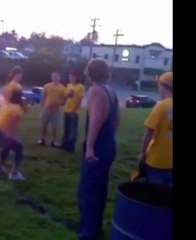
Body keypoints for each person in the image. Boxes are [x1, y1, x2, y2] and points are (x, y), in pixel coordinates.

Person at [77, 59, 120, 240]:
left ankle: (88, 233)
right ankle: (95, 227)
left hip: (98, 146)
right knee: (100, 188)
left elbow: (95, 121)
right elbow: (117, 121)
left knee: (87, 190)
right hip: (109, 144)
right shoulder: (111, 91)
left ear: (90, 72)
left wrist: (90, 147)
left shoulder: (95, 91)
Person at [137, 71, 172, 186]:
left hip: (156, 160)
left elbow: (148, 133)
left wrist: (142, 154)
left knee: (153, 194)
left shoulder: (161, 106)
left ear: (162, 86)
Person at [0, 90, 26, 181]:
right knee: (19, 147)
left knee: (7, 145)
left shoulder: (5, 104)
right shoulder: (18, 110)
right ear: (20, 99)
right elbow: (11, 129)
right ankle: (14, 174)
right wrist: (15, 139)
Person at [37, 71, 66, 147]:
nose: (55, 78)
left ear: (59, 78)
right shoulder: (47, 86)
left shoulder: (62, 88)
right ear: (51, 77)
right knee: (44, 124)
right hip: (46, 108)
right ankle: (42, 139)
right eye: (54, 77)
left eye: (57, 77)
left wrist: (59, 103)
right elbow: (43, 97)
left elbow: (64, 100)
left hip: (55, 110)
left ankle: (54, 140)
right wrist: (42, 107)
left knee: (55, 126)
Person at [61, 70, 85, 153]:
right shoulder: (68, 85)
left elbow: (80, 100)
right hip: (66, 110)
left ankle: (71, 146)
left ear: (76, 78)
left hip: (74, 112)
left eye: (72, 77)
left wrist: (74, 110)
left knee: (72, 130)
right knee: (66, 129)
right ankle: (64, 144)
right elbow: (64, 97)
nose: (70, 78)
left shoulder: (80, 87)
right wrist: (66, 95)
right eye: (70, 77)